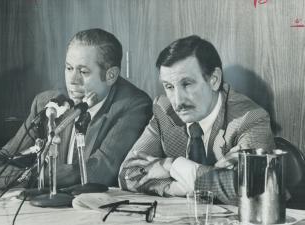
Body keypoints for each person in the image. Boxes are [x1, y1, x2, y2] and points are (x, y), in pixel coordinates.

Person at [0, 28, 152, 189]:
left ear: (111, 75)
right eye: (69, 68)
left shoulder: (133, 105)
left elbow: (99, 171)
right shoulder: (47, 102)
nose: (72, 80)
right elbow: (8, 152)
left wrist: (25, 176)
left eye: (83, 72)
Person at [118, 35, 275, 205]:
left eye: (187, 84)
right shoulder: (165, 111)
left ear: (214, 80)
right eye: (169, 87)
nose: (178, 100)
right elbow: (128, 174)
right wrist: (179, 187)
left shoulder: (250, 118)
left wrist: (172, 165)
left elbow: (251, 190)